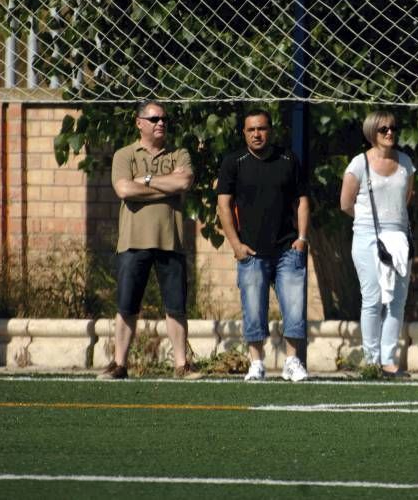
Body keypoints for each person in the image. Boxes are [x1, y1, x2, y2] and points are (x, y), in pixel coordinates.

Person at [99, 100, 203, 380]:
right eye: (154, 118)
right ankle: (119, 364)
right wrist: (163, 185)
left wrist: (143, 181)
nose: (161, 123)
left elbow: (183, 183)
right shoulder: (124, 155)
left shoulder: (179, 154)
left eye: (164, 120)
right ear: (139, 122)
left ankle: (182, 365)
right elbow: (123, 189)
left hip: (172, 241)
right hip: (133, 241)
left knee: (176, 307)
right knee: (127, 305)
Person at [216, 109, 310, 382]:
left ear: (271, 130)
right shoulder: (234, 162)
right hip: (251, 252)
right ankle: (256, 363)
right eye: (251, 130)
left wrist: (302, 239)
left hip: (287, 250)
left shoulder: (288, 159)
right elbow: (224, 205)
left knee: (294, 307)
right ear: (244, 133)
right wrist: (236, 244)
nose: (257, 134)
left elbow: (302, 200)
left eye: (262, 129)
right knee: (253, 307)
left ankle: (292, 362)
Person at [340, 110, 415, 378]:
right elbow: (346, 204)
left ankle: (388, 360)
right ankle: (371, 360)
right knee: (372, 298)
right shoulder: (359, 164)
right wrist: (371, 222)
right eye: (383, 129)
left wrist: (392, 223)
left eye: (393, 128)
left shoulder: (406, 162)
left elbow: (406, 197)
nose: (390, 133)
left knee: (397, 300)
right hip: (366, 236)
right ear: (372, 132)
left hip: (398, 236)